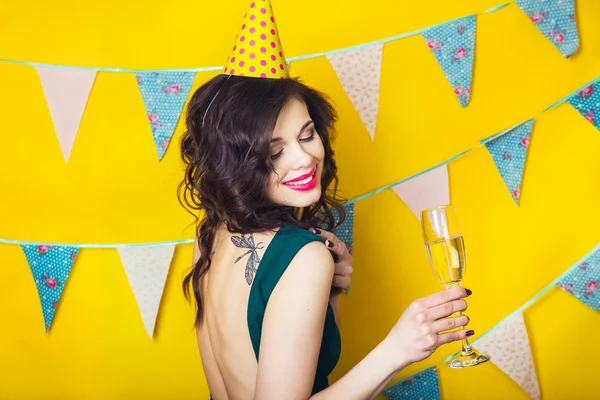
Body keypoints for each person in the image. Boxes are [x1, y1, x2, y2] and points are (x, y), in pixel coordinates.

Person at [178, 1, 474, 398]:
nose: (305, 159)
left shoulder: (208, 236)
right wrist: (397, 349)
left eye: (306, 135)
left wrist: (328, 290)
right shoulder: (303, 256)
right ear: (238, 161)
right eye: (275, 150)